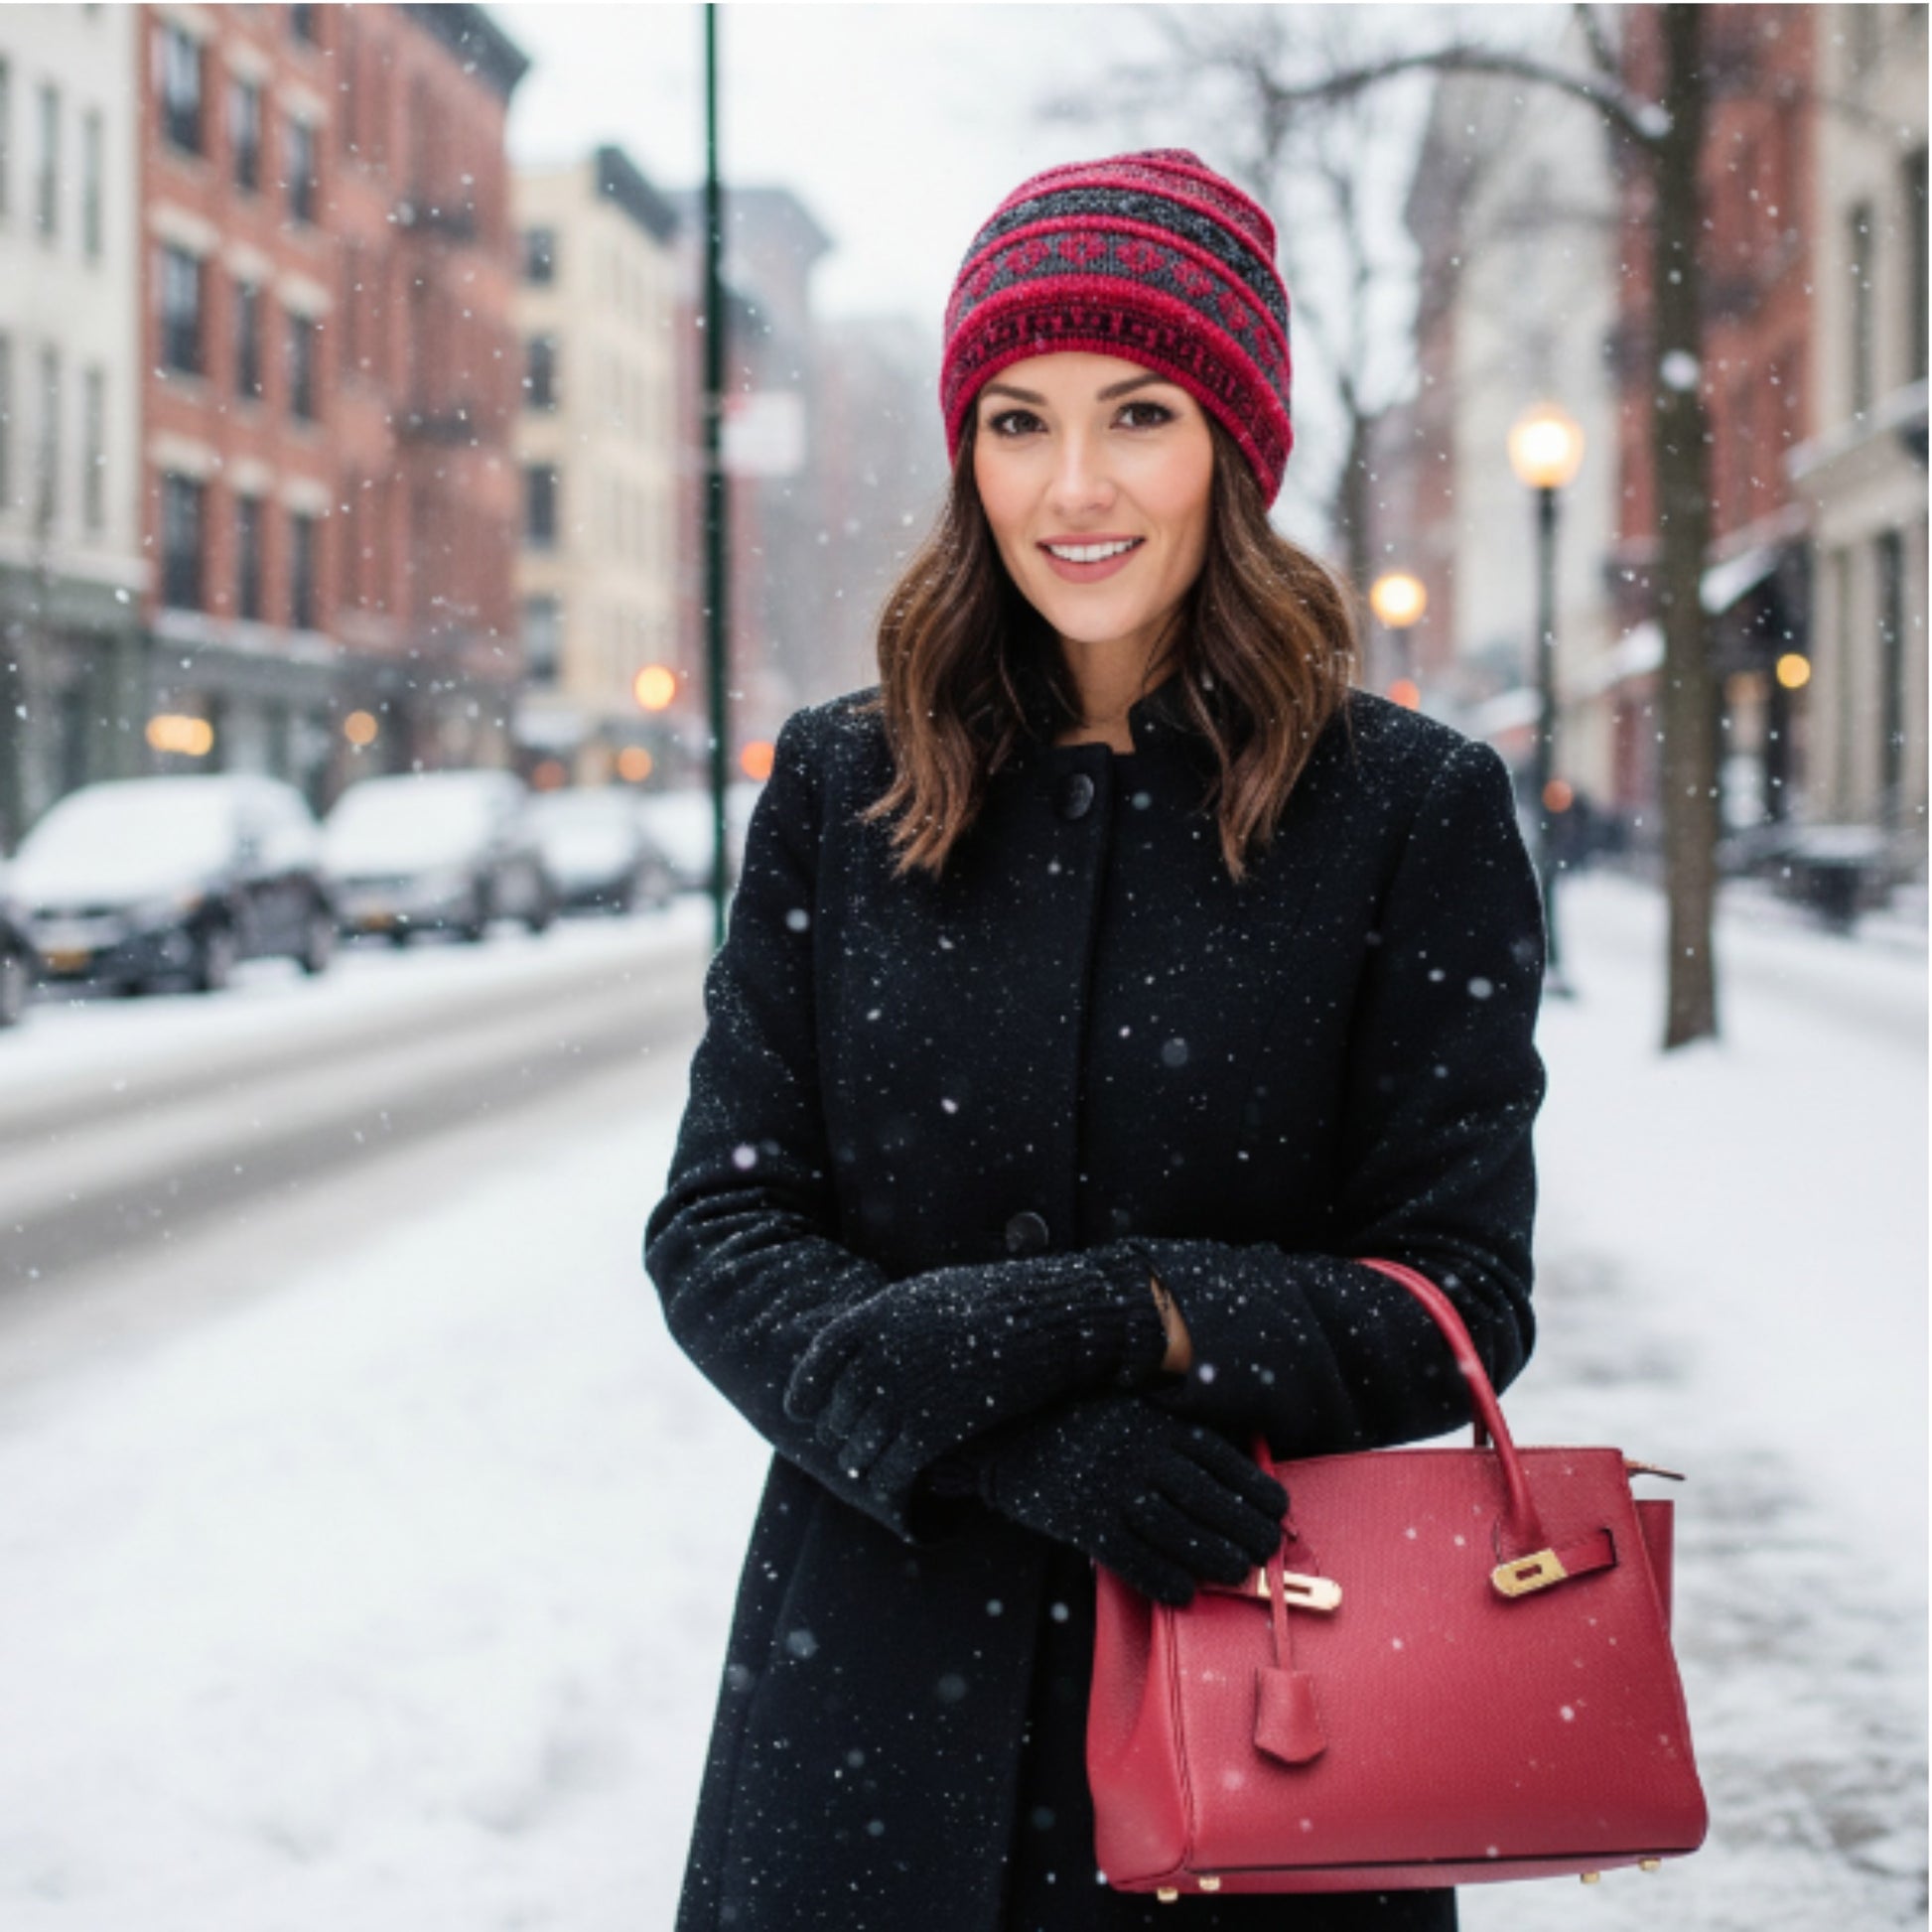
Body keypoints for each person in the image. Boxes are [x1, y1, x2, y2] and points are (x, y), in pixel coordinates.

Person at [645, 149, 1547, 1932]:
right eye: (1013, 419)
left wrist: (1125, 1313)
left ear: (1233, 439)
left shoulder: (1404, 811)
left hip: (1267, 1709)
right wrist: (997, 1443)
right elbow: (720, 1231)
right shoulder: (845, 784)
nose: (1071, 486)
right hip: (872, 1710)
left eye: (1137, 412)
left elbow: (1456, 1296)